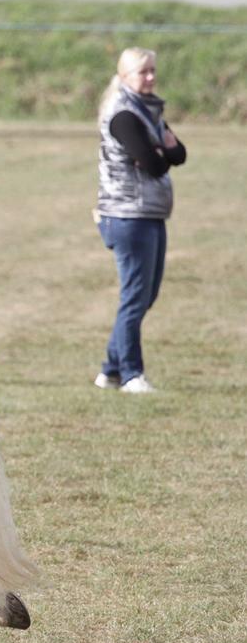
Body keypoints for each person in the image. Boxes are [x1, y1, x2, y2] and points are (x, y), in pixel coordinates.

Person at [93, 47, 186, 394]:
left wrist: (164, 151)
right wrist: (162, 151)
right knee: (134, 297)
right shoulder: (124, 116)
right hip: (127, 215)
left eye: (152, 71)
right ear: (125, 77)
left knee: (146, 295)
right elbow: (156, 162)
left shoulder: (149, 111)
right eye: (143, 72)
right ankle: (131, 374)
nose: (150, 77)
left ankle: (111, 370)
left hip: (150, 213)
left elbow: (180, 153)